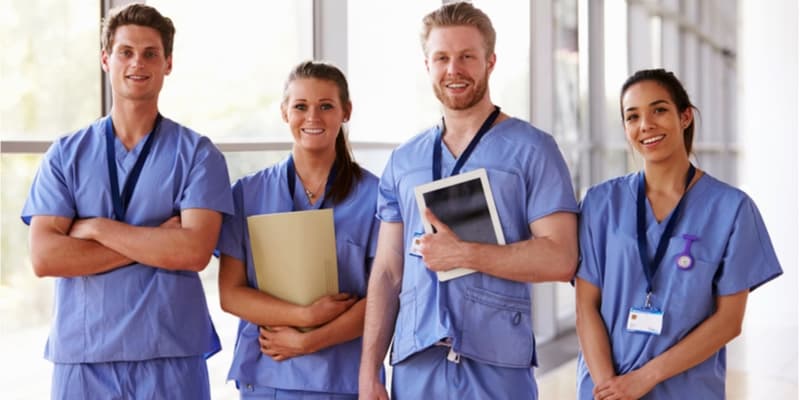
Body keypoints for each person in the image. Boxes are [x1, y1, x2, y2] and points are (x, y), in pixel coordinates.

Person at [358, 2, 579, 399]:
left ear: (490, 61)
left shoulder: (533, 150)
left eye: (466, 57)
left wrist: (464, 254)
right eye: (441, 57)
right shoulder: (404, 161)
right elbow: (388, 272)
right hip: (416, 363)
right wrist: (369, 370)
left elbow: (561, 258)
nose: (453, 70)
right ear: (427, 64)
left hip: (496, 363)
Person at [20, 4, 233, 400]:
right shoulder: (66, 155)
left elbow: (193, 251)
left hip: (170, 356)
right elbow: (46, 257)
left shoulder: (198, 155)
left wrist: (98, 229)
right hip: (84, 358)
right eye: (126, 52)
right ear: (106, 59)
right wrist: (155, 242)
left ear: (168, 63)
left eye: (151, 53)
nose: (139, 62)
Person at [574, 68, 783, 399]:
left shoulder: (732, 209)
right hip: (606, 388)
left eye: (658, 110)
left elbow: (729, 321)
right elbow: (586, 305)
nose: (646, 125)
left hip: (687, 389)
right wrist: (607, 388)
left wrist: (645, 377)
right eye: (633, 117)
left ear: (685, 117)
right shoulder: (601, 204)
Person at [216, 60, 379, 399]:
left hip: (343, 379)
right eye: (301, 106)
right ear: (284, 112)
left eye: (326, 106)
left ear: (346, 112)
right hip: (267, 375)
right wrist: (304, 315)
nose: (313, 118)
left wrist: (310, 339)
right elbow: (230, 294)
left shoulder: (377, 196)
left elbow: (382, 298)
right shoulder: (248, 194)